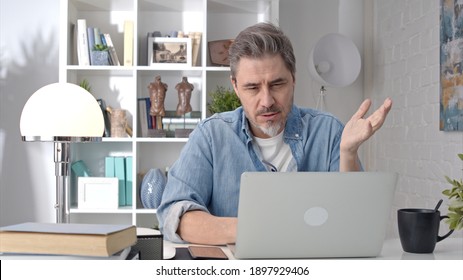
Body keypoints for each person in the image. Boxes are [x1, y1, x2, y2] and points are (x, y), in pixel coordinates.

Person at [157, 22, 392, 245]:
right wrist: (256, 229)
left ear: (294, 80)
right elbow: (174, 213)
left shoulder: (329, 132)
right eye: (252, 87)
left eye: (277, 84)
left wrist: (348, 153)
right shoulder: (211, 136)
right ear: (235, 87)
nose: (267, 101)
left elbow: (353, 222)